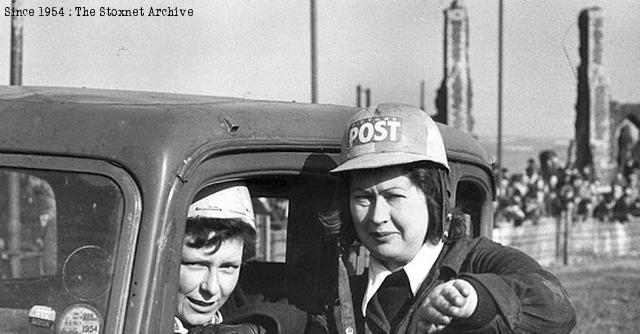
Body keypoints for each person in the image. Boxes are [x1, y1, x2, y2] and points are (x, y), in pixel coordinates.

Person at [326, 103, 576, 334]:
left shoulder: (476, 260)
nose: (377, 217)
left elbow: (556, 309)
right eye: (363, 198)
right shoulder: (337, 286)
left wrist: (476, 303)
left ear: (433, 197)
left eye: (394, 196)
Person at [174, 182, 315, 334]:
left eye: (228, 267)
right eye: (196, 264)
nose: (212, 288)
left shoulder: (243, 310)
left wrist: (255, 328)